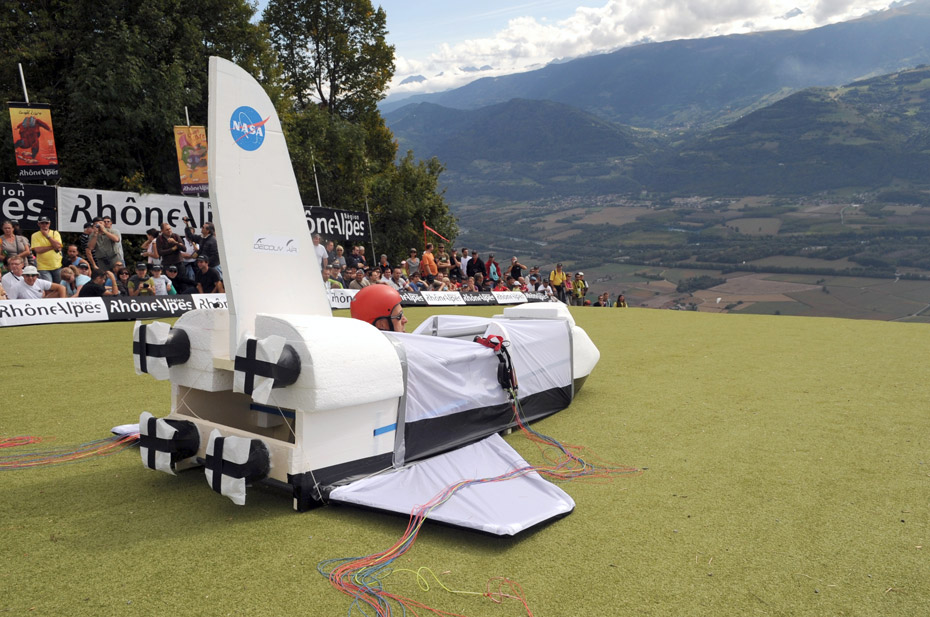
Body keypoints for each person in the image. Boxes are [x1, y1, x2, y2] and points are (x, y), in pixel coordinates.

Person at [30, 216, 63, 283]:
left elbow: (58, 246)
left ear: (49, 224)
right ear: (39, 224)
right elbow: (37, 250)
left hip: (56, 265)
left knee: (59, 285)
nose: (44, 224)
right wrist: (52, 247)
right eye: (42, 223)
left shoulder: (55, 233)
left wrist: (47, 236)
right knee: (48, 286)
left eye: (46, 223)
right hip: (43, 267)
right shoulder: (35, 235)